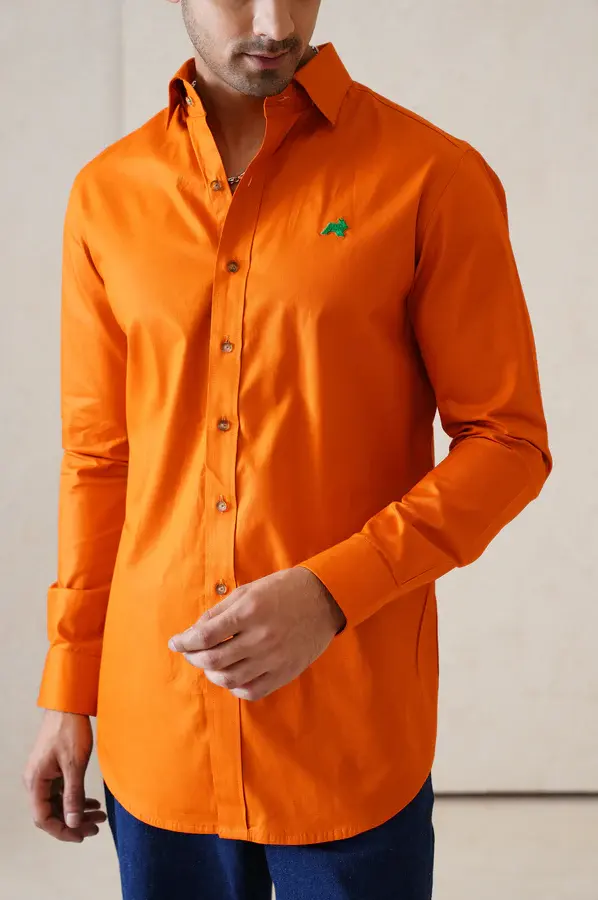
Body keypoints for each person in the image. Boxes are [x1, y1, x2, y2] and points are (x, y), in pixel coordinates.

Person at [23, 1, 552, 898]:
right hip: (158, 734)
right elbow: (99, 458)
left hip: (348, 738)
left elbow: (508, 442)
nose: (273, 21)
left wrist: (335, 592)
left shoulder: (431, 175)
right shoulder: (107, 193)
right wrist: (69, 687)